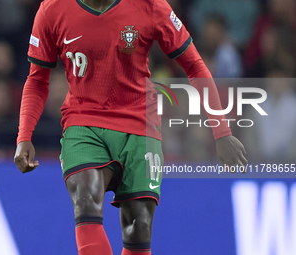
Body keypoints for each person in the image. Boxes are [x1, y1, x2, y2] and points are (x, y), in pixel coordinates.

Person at [14, 0, 247, 254]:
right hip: (83, 122)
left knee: (139, 226)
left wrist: (221, 131)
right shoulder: (53, 8)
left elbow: (194, 65)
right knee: (85, 199)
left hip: (139, 124)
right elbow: (37, 79)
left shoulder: (150, 5)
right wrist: (24, 135)